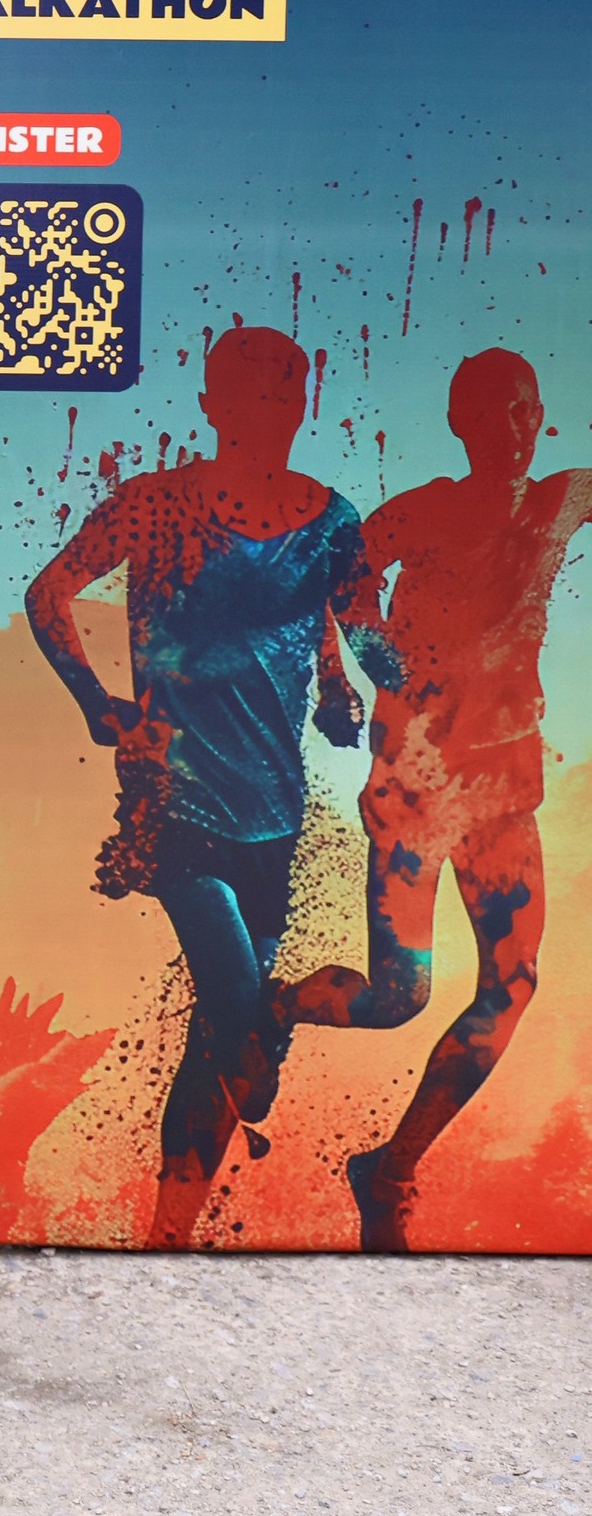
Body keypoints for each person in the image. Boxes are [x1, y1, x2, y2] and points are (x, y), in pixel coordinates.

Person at [24, 328, 393, 1247]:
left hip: (274, 811)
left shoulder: (333, 521)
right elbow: (49, 592)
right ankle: (268, 1016)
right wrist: (95, 704)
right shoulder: (152, 503)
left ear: (303, 404)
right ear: (212, 405)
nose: (269, 413)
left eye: (285, 396)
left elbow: (349, 629)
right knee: (241, 1020)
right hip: (171, 797)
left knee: (216, 1042)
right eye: (249, 396)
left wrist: (349, 683)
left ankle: (169, 1233)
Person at [280, 350, 592, 1249]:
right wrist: (356, 672)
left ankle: (389, 1169)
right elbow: (335, 580)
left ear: (541, 415)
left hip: (501, 791)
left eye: (522, 411)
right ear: (459, 423)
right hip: (416, 783)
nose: (510, 430)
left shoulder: (560, 497)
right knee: (396, 996)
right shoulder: (423, 510)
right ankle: (272, 1006)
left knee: (512, 983)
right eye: (488, 413)